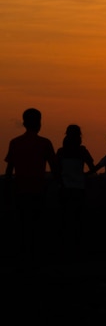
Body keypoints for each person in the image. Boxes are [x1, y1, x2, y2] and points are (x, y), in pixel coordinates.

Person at [4, 108, 59, 258]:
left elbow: (9, 171)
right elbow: (55, 170)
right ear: (39, 123)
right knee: (36, 227)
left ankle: (22, 256)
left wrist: (7, 190)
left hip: (20, 190)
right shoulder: (44, 143)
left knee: (22, 227)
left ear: (23, 123)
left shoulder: (15, 143)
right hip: (38, 190)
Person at [56, 124, 96, 252]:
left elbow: (56, 170)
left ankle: (64, 246)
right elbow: (92, 168)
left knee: (64, 218)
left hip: (64, 188)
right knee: (78, 219)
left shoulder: (61, 151)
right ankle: (78, 246)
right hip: (79, 188)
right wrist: (83, 176)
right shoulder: (83, 151)